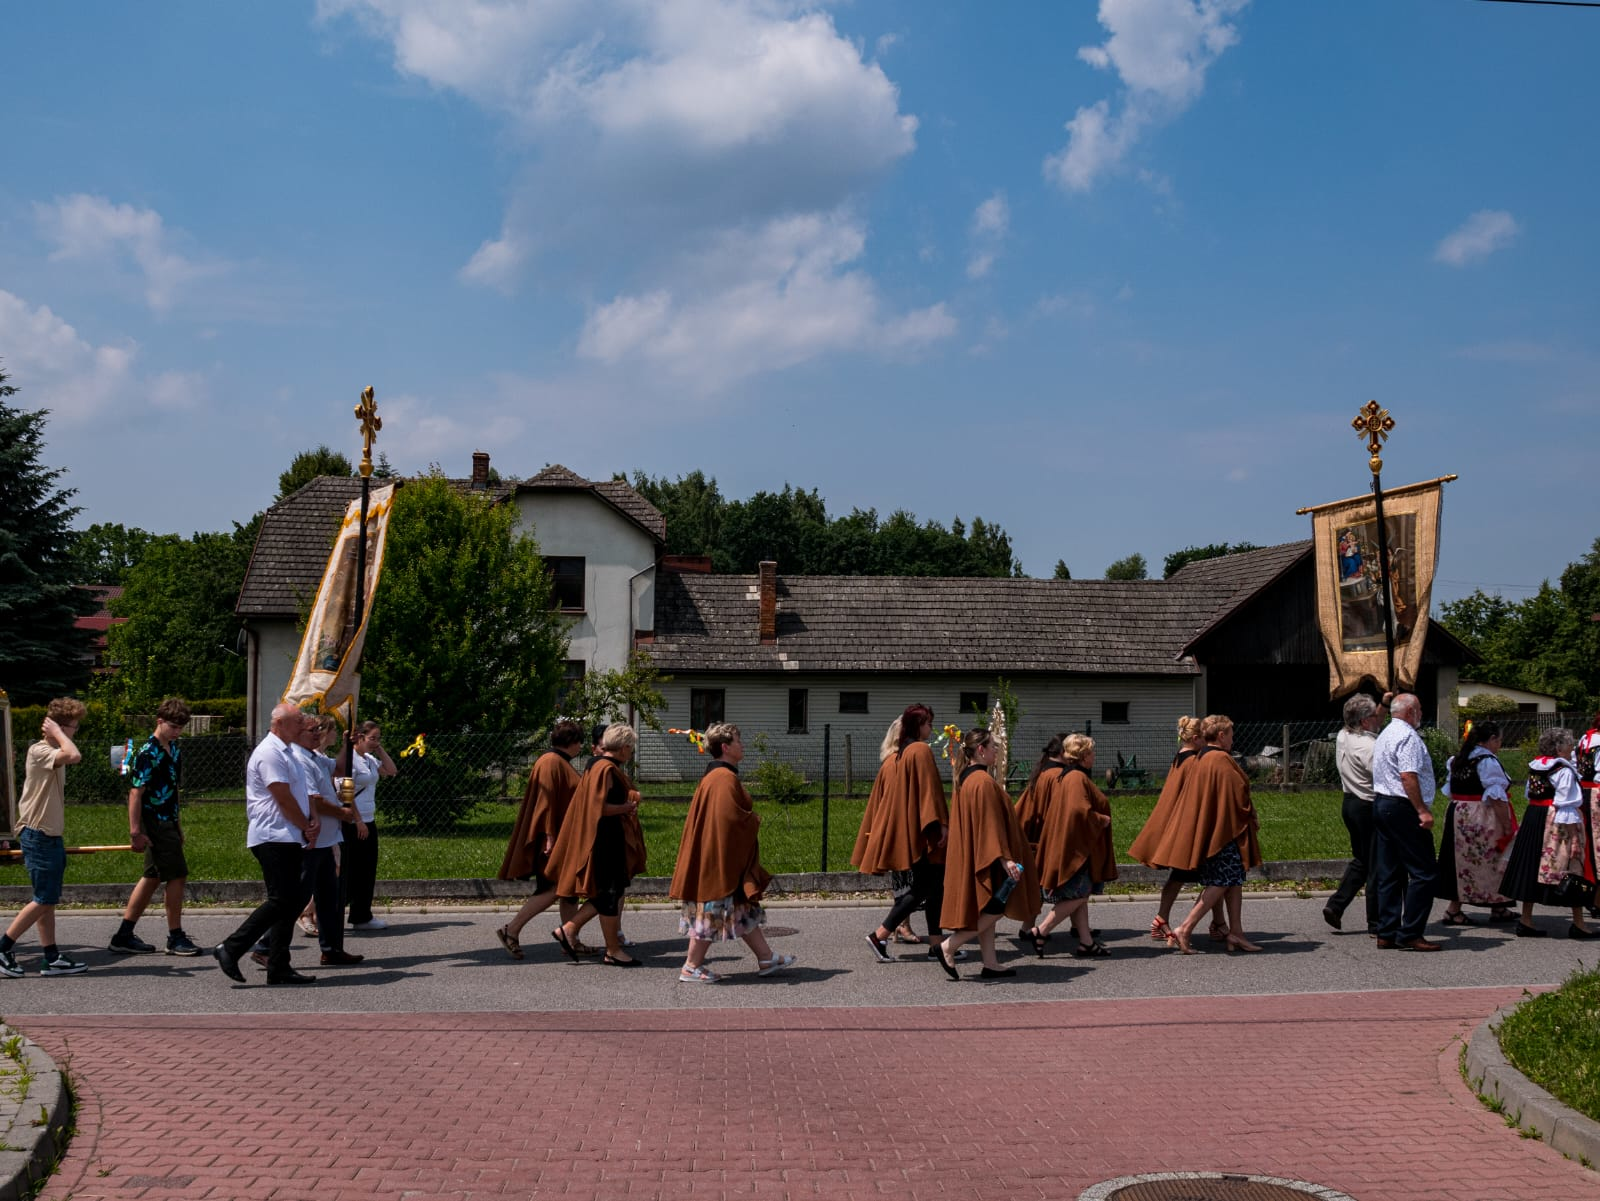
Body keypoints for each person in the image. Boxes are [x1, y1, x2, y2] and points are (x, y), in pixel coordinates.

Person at [669, 723, 795, 983]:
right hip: (719, 861)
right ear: (726, 747)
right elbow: (729, 821)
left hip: (717, 857)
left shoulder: (716, 777)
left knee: (742, 909)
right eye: (738, 740)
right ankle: (691, 966)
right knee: (713, 910)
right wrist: (753, 820)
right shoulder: (724, 779)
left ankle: (766, 957)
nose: (743, 745)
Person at [212, 702, 321, 986]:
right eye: (298, 721)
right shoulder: (270, 753)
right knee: (282, 900)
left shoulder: (288, 752)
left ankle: (279, 966)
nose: (302, 725)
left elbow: (299, 794)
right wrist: (306, 826)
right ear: (280, 723)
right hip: (273, 836)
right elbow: (283, 798)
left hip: (287, 836)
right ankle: (231, 948)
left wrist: (307, 824)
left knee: (291, 902)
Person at [934, 727, 1040, 980]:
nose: (996, 751)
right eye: (993, 747)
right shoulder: (982, 782)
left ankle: (990, 963)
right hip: (989, 855)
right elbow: (991, 824)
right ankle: (949, 946)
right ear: (981, 750)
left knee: (986, 908)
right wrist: (1006, 859)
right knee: (995, 907)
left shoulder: (966, 779)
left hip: (977, 853)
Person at [852, 704, 950, 963]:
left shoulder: (901, 754)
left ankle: (937, 945)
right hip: (925, 832)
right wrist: (940, 824)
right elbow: (929, 792)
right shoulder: (920, 750)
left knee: (933, 887)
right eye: (929, 723)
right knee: (925, 887)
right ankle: (879, 935)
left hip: (913, 831)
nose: (931, 728)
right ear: (919, 725)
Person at [108, 697, 202, 957]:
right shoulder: (147, 753)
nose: (177, 732)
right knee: (177, 875)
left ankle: (123, 935)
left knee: (152, 877)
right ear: (159, 721)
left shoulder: (174, 750)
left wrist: (178, 823)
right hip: (155, 822)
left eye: (181, 727)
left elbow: (173, 791)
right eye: (173, 726)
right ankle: (175, 936)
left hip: (168, 820)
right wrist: (135, 830)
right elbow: (136, 793)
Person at [0, 699, 88, 978]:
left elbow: (70, 752)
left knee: (47, 898)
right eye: (73, 727)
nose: (75, 733)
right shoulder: (40, 750)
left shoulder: (52, 749)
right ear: (60, 727)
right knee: (44, 899)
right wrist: (59, 733)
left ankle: (51, 957)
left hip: (48, 835)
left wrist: (59, 733)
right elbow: (75, 756)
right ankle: (3, 948)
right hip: (37, 834)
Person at [549, 723, 646, 966]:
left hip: (602, 838)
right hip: (604, 840)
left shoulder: (596, 765)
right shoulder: (606, 769)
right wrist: (626, 807)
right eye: (631, 749)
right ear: (623, 748)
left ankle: (569, 930)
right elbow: (597, 807)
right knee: (610, 893)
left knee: (607, 893)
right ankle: (612, 950)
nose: (631, 753)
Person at [1168, 715, 1264, 955]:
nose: (1233, 739)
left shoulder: (1202, 758)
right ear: (1221, 736)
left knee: (1233, 882)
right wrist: (1250, 814)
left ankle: (1236, 933)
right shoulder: (1220, 759)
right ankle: (1185, 928)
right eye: (1231, 734)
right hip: (1224, 834)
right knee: (1222, 881)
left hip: (1212, 831)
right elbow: (1237, 795)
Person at [1018, 734, 1116, 957]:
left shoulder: (1067, 776)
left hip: (1072, 845)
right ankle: (1040, 931)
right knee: (1079, 895)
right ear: (1082, 756)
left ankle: (1086, 942)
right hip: (1077, 849)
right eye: (1091, 753)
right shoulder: (1076, 779)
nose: (1094, 757)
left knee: (1078, 896)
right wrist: (1101, 820)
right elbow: (1077, 811)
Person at [494, 721, 584, 959]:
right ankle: (511, 930)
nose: (581, 747)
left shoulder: (554, 762)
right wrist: (549, 837)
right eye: (579, 742)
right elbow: (546, 803)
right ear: (572, 742)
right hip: (552, 840)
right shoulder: (552, 763)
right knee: (553, 888)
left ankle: (570, 940)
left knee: (568, 890)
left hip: (560, 838)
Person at [1129, 716, 1223, 941]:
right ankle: (1167, 919)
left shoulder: (1180, 757)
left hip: (1179, 824)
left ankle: (1216, 923)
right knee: (1211, 877)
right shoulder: (1193, 761)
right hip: (1188, 829)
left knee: (1197, 877)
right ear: (1197, 738)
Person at [1498, 728, 1596, 939]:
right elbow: (1566, 802)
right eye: (1569, 744)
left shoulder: (1537, 766)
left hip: (1534, 816)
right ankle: (1579, 923)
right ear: (1559, 748)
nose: (1572, 748)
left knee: (1532, 866)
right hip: (1556, 819)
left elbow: (1529, 793)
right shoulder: (1563, 770)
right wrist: (1574, 838)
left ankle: (1526, 920)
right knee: (1571, 866)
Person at [1369, 693, 1441, 952]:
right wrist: (1422, 810)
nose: (1422, 713)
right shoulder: (1408, 736)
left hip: (1383, 803)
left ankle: (1386, 931)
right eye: (1420, 709)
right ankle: (1410, 932)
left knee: (1390, 871)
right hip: (1402, 806)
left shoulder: (1386, 733)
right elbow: (1408, 776)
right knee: (1424, 872)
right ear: (1410, 711)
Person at [1434, 720, 1516, 926]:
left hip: (1458, 813)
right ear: (1491, 740)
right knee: (1494, 857)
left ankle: (1496, 905)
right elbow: (1497, 797)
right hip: (1480, 815)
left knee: (1461, 861)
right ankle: (1458, 910)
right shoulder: (1487, 761)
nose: (1499, 746)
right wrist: (1507, 825)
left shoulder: (1459, 759)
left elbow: (1450, 790)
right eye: (1499, 741)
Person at [298, 713, 363, 966]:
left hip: (328, 836)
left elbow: (338, 769)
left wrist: (348, 744)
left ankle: (331, 948)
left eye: (318, 730)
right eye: (312, 731)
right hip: (313, 837)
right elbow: (314, 799)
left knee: (330, 897)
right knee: (297, 895)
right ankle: (266, 945)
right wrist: (343, 813)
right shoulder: (300, 759)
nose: (318, 734)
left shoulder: (318, 757)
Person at [1322, 694, 1383, 934]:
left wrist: (1384, 703)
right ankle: (1376, 922)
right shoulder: (1369, 746)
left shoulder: (1343, 736)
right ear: (1366, 721)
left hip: (1349, 803)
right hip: (1368, 804)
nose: (1379, 718)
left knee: (1362, 859)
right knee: (1376, 864)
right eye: (1374, 716)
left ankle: (1336, 906)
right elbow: (1382, 775)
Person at [342, 719, 396, 932]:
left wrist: (378, 748)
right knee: (348, 871)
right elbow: (346, 792)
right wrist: (358, 820)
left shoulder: (369, 759)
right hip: (354, 821)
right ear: (360, 737)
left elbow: (391, 770)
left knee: (366, 870)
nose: (376, 741)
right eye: (372, 738)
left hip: (368, 820)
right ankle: (316, 910)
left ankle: (361, 915)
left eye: (378, 738)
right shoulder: (350, 760)